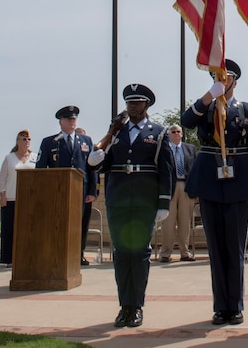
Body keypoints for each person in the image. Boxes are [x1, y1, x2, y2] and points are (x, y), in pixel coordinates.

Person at [180, 59, 248, 326]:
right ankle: (221, 306)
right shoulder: (205, 106)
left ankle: (236, 305)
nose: (223, 80)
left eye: (227, 77)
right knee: (216, 248)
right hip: (210, 181)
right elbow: (186, 122)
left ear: (235, 81)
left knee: (235, 247)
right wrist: (209, 97)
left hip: (239, 181)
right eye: (218, 76)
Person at [88, 84, 174, 329]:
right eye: (129, 103)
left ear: (146, 106)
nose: (132, 107)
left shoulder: (157, 132)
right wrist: (103, 144)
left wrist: (163, 203)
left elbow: (165, 169)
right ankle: (124, 306)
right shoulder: (116, 133)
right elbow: (97, 164)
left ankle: (136, 306)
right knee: (121, 253)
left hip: (144, 201)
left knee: (138, 253)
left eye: (137, 103)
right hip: (118, 199)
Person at [36, 105, 98, 266]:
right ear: (61, 122)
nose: (72, 122)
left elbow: (92, 168)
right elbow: (40, 169)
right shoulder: (50, 142)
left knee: (81, 224)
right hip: (58, 191)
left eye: (74, 119)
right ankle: (58, 252)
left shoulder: (86, 141)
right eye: (68, 119)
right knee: (59, 223)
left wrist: (92, 191)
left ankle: (79, 253)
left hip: (82, 191)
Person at [158, 125, 197, 263]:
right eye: (173, 132)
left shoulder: (190, 149)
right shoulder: (164, 148)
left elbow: (195, 169)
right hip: (170, 188)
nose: (175, 133)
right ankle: (165, 253)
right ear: (168, 134)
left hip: (186, 187)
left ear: (182, 134)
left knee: (185, 222)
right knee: (168, 222)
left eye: (178, 132)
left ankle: (185, 252)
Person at [0, 130, 35, 266]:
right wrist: (3, 195)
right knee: (10, 229)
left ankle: (26, 256)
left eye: (29, 139)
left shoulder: (35, 157)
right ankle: (9, 258)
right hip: (11, 198)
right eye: (24, 139)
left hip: (29, 199)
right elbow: (2, 179)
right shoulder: (9, 158)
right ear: (18, 141)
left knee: (27, 229)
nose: (27, 142)